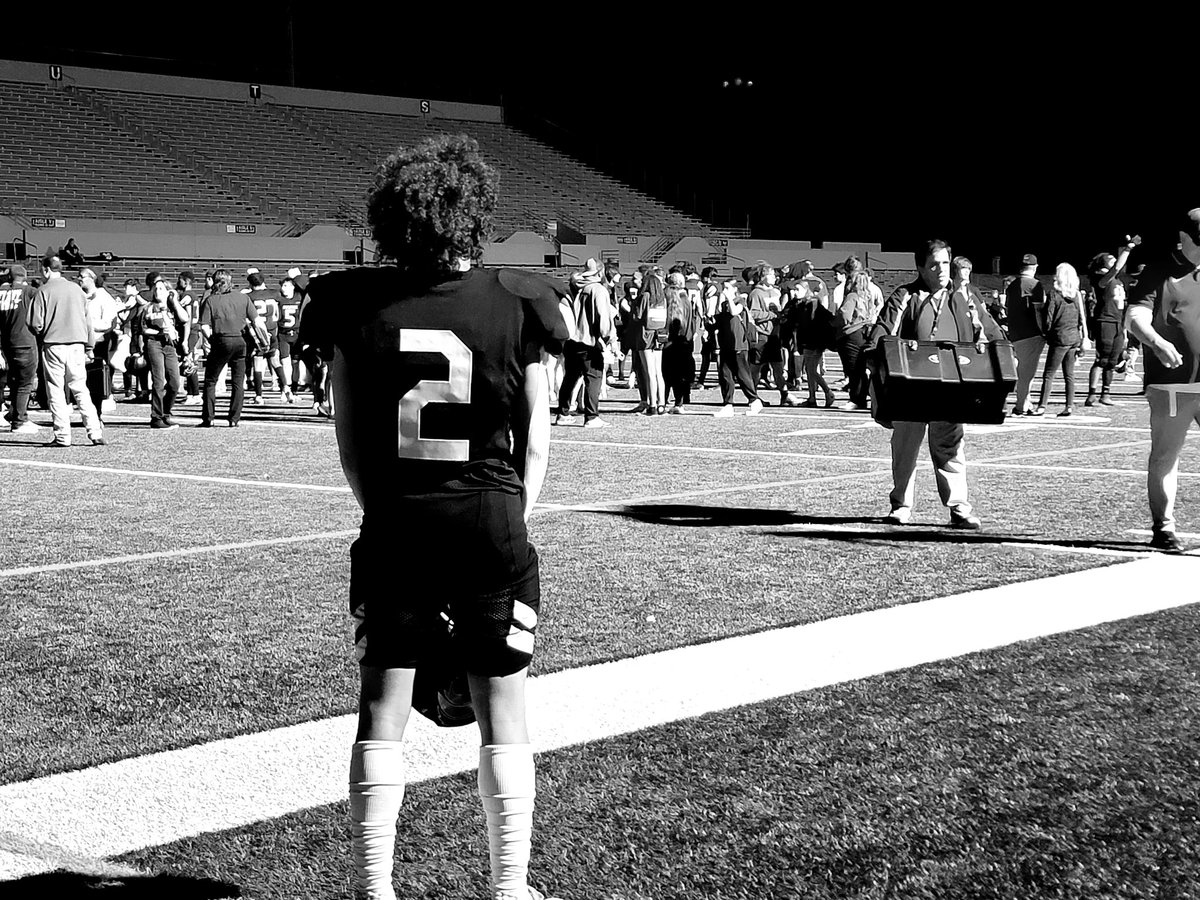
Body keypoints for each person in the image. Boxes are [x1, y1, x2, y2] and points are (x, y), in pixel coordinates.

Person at [295, 134, 567, 900]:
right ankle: (509, 886)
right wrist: (508, 519)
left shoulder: (351, 305)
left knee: (382, 710)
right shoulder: (519, 299)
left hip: (396, 526)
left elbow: (351, 449)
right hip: (490, 522)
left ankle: (372, 888)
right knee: (502, 707)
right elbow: (535, 446)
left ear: (394, 217)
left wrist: (392, 511)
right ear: (473, 213)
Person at [869, 239, 1004, 529]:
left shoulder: (964, 296)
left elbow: (989, 329)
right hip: (911, 385)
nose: (941, 270)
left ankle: (959, 507)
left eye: (945, 263)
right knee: (905, 447)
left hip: (954, 384)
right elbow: (882, 333)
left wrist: (1002, 351)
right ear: (920, 267)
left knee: (950, 447)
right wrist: (876, 359)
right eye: (933, 264)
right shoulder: (905, 296)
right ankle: (901, 505)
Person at [1126, 208, 1200, 552]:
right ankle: (1164, 526)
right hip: (1173, 382)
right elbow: (1135, 317)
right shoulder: (1159, 271)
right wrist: (1157, 342)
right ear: (1184, 238)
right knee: (1166, 456)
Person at [25, 253, 105, 447]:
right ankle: (95, 431)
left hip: (54, 344)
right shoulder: (77, 290)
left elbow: (34, 323)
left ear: (46, 269)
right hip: (77, 344)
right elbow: (88, 321)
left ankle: (62, 436)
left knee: (56, 390)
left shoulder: (43, 291)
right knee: (80, 389)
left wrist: (42, 332)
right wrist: (89, 346)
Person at [555, 258, 611, 427]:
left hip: (571, 340)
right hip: (589, 341)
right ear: (600, 273)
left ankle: (562, 413)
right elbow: (603, 320)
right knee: (594, 378)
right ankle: (592, 416)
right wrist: (606, 339)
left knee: (570, 378)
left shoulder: (571, 288)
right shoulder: (598, 290)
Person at [199, 270, 257, 428]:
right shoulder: (243, 297)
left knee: (211, 380)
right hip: (240, 340)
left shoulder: (211, 300)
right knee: (238, 381)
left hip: (221, 339)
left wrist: (211, 340)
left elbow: (204, 327)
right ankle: (234, 418)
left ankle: (209, 417)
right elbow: (256, 321)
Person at [1085, 235, 1139, 406]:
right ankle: (1092, 394)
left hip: (1117, 321)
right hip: (1105, 320)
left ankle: (1105, 393)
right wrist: (1129, 248)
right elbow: (1116, 268)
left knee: (1113, 360)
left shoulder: (1117, 281)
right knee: (1102, 359)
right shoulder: (1101, 279)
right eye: (1110, 259)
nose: (1115, 260)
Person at [1034, 262, 1088, 417]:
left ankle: (1042, 405)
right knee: (1069, 374)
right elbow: (1081, 317)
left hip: (1059, 337)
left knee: (1049, 374)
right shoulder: (1076, 294)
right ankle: (1069, 405)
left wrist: (1045, 332)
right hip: (1073, 337)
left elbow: (1048, 319)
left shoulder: (1054, 294)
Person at [139, 273, 186, 430]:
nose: (158, 291)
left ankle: (165, 412)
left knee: (174, 382)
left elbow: (185, 319)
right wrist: (158, 332)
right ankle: (156, 417)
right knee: (158, 381)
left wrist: (175, 301)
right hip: (154, 344)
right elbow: (143, 330)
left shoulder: (172, 306)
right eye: (156, 288)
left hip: (170, 345)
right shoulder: (148, 307)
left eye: (161, 288)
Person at [713, 276, 763, 417]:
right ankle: (728, 404)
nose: (725, 290)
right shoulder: (723, 304)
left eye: (728, 288)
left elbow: (735, 311)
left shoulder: (740, 301)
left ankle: (754, 400)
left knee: (742, 374)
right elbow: (719, 316)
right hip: (726, 343)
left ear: (735, 290)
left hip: (739, 344)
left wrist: (729, 298)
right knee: (725, 375)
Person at [1004, 253, 1047, 415]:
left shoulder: (1012, 285)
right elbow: (1038, 311)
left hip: (1015, 331)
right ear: (1035, 267)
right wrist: (1044, 330)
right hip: (1030, 332)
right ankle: (1021, 404)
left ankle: (1026, 402)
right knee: (1027, 373)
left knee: (1024, 369)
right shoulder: (1035, 284)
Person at [0, 264, 41, 434]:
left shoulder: (1, 292)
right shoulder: (29, 292)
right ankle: (19, 420)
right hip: (25, 341)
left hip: (7, 343)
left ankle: (14, 413)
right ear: (24, 276)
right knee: (25, 382)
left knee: (15, 380)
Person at [80, 268, 120, 419]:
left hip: (98, 342)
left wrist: (87, 324)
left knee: (95, 380)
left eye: (82, 276)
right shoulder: (79, 296)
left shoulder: (104, 298)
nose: (79, 279)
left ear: (92, 278)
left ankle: (96, 413)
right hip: (80, 343)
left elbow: (107, 323)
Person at [635, 267, 669, 414]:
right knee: (658, 372)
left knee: (649, 372)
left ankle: (652, 404)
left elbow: (638, 316)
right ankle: (662, 403)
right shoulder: (662, 298)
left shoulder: (645, 297)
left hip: (646, 335)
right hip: (659, 335)